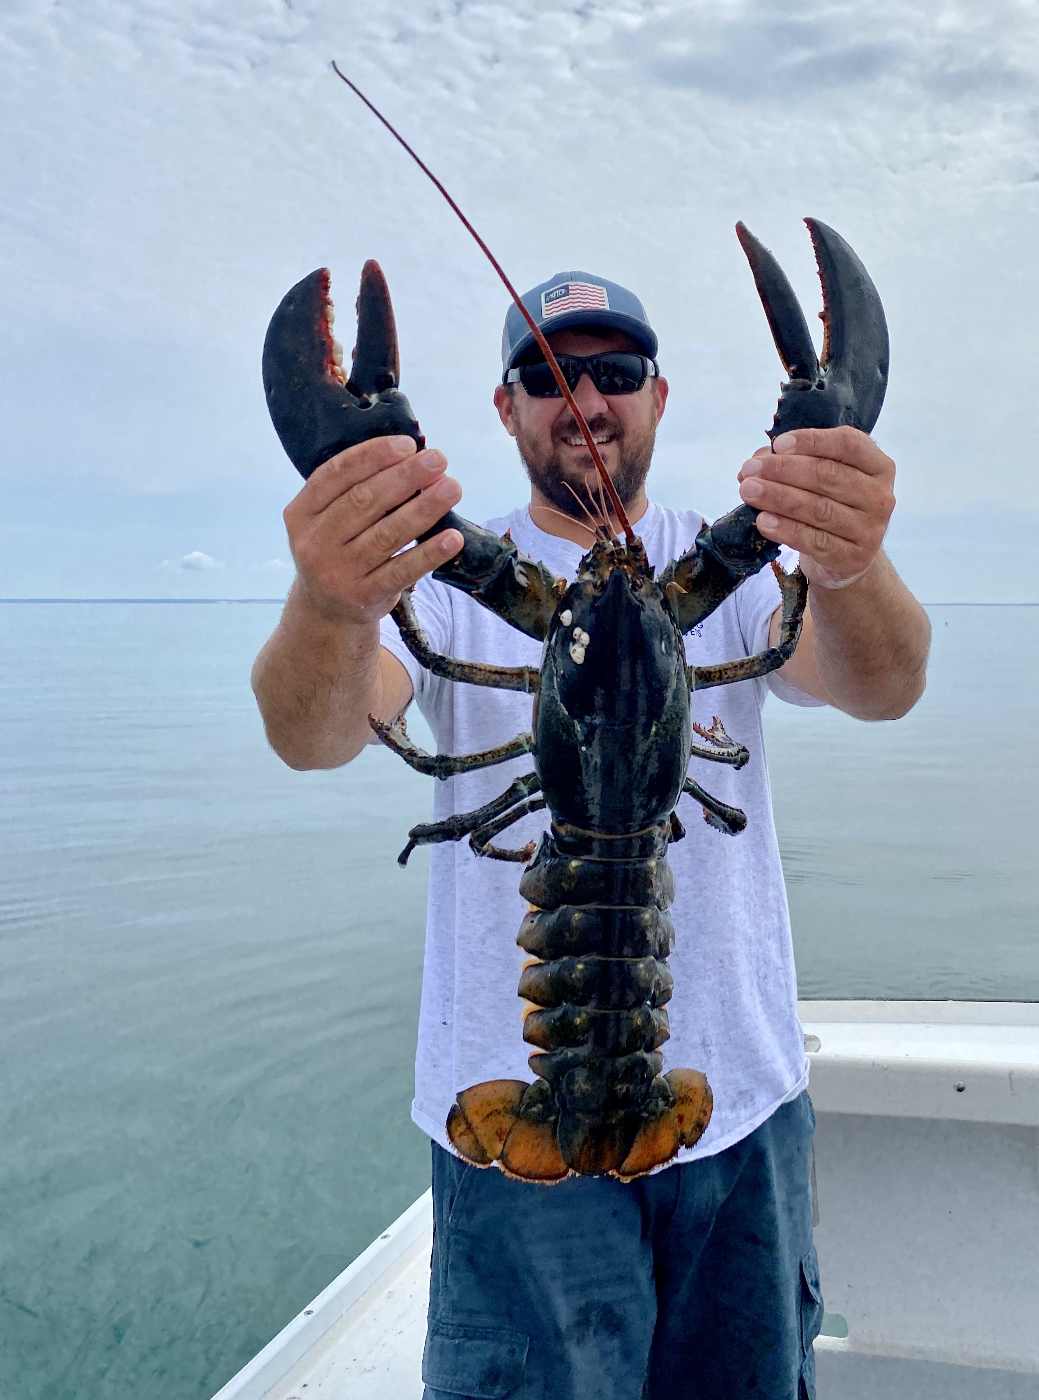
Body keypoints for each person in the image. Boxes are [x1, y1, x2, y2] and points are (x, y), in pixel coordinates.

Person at [252, 268, 930, 1400]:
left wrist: (842, 554)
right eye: (550, 375)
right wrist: (332, 599)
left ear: (658, 397)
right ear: (507, 408)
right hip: (518, 1127)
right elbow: (312, 732)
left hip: (739, 1112)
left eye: (614, 373)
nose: (587, 399)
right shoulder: (433, 578)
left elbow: (887, 681)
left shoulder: (751, 575)